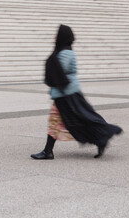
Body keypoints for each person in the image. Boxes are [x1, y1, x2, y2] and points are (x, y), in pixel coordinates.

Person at [31, 24, 122, 161]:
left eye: (57, 34)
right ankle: (99, 139)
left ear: (62, 36)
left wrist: (49, 76)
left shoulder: (65, 53)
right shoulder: (62, 50)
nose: (55, 36)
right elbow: (55, 71)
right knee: (71, 121)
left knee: (71, 120)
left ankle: (48, 151)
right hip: (64, 94)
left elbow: (58, 71)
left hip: (67, 95)